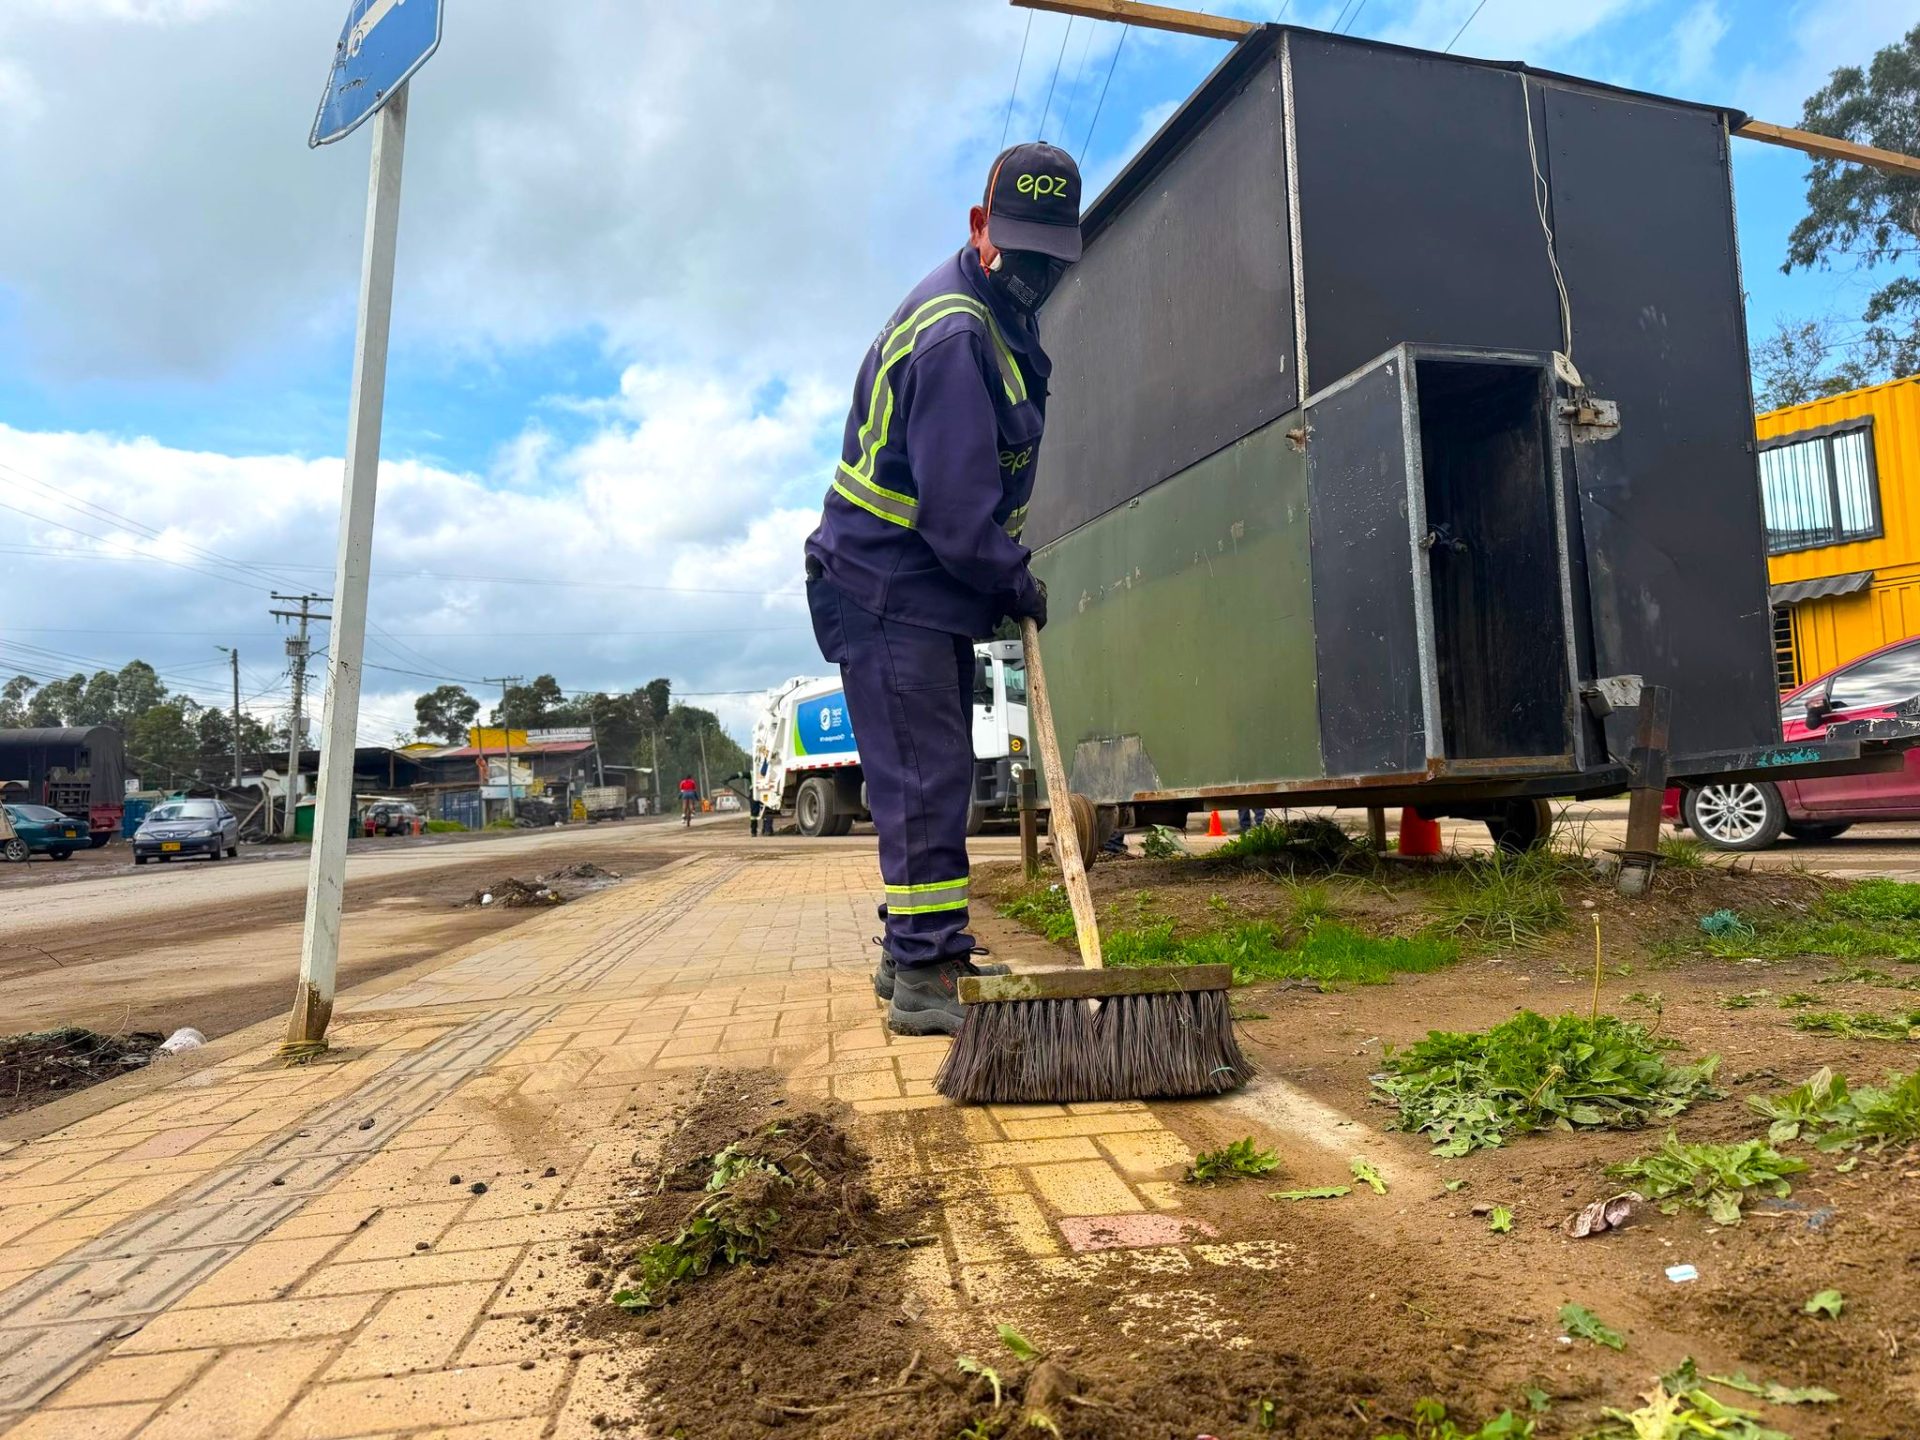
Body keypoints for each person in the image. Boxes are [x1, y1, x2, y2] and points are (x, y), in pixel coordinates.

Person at [804, 141, 1082, 1036]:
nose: (1035, 272)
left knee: (928, 774)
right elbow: (959, 515)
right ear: (979, 227)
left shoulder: (998, 316)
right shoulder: (958, 333)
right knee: (925, 780)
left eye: (1052, 256)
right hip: (886, 585)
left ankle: (918, 949)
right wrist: (1016, 579)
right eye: (1021, 249)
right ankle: (926, 974)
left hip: (916, 586)